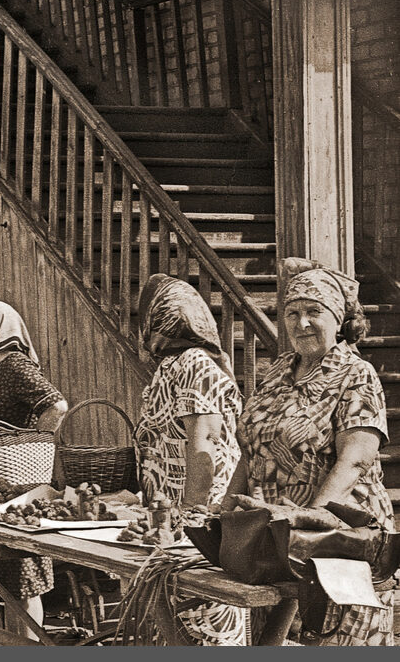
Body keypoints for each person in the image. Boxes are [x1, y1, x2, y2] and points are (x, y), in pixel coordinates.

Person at [225, 258, 394, 645]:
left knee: (335, 639)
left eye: (314, 312)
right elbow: (252, 447)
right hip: (275, 542)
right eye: (292, 313)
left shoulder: (355, 374)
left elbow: (356, 458)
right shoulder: (279, 371)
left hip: (338, 541)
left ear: (338, 319)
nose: (301, 323)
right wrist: (226, 505)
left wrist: (312, 517)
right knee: (278, 639)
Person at [134, 274, 246, 645]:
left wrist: (192, 526)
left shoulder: (194, 364)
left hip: (195, 529)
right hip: (172, 526)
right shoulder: (173, 367)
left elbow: (204, 450)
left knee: (207, 630)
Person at [0, 300, 67, 640]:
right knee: (8, 582)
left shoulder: (15, 366)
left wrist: (33, 444)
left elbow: (56, 405)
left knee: (24, 582)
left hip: (22, 488)